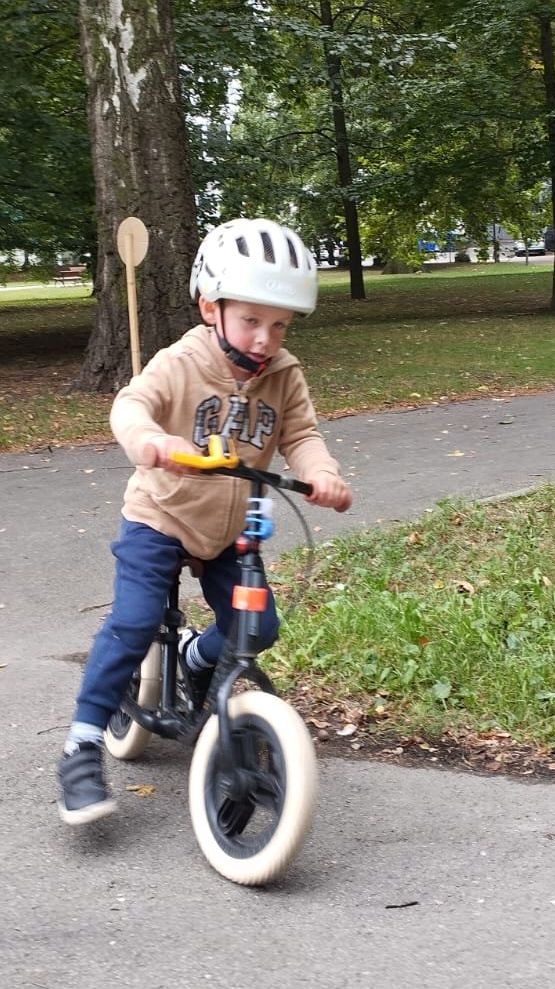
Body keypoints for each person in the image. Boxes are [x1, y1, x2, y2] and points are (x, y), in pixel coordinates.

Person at [57, 218, 353, 824]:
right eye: (251, 320)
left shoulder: (284, 375)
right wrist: (150, 440)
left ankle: (193, 660)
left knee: (258, 627)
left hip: (232, 530)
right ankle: (82, 744)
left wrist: (322, 473)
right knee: (135, 620)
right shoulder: (181, 362)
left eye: (280, 325)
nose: (266, 339)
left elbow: (301, 435)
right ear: (210, 308)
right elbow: (131, 405)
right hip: (160, 515)